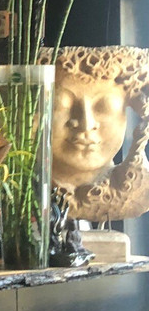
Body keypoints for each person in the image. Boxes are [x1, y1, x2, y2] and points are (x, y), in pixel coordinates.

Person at [45, 46, 149, 221]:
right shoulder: (18, 192)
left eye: (104, 107)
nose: (86, 124)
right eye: (61, 105)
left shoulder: (140, 192)